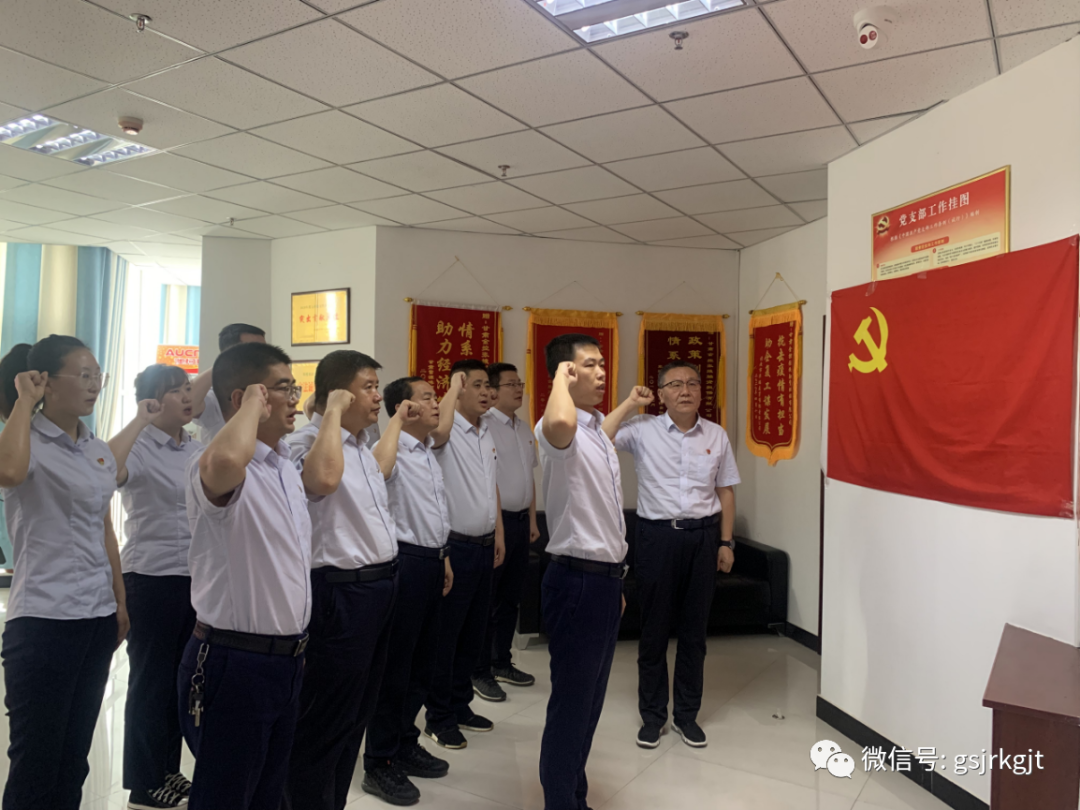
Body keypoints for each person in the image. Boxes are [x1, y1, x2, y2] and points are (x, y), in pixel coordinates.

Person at [178, 342, 312, 810]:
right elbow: (223, 464)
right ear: (243, 398)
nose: (293, 398)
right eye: (281, 388)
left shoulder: (283, 466)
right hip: (235, 661)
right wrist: (253, 403)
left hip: (286, 659)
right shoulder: (218, 463)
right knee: (225, 796)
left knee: (267, 793)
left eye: (294, 388)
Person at [283, 351, 417, 810]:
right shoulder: (307, 440)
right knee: (325, 719)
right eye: (368, 387)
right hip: (342, 592)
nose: (378, 396)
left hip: (379, 588)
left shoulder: (361, 446)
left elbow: (379, 477)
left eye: (378, 386)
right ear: (338, 393)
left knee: (356, 713)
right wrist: (332, 415)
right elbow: (320, 481)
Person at [0, 334, 129, 810]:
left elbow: (104, 528)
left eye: (99, 376)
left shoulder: (96, 449)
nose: (95, 385)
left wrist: (119, 602)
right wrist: (24, 401)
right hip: (43, 620)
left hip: (95, 617)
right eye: (84, 375)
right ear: (47, 382)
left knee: (74, 759)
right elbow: (8, 473)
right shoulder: (25, 440)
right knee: (36, 760)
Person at [603, 361, 739, 749]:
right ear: (660, 393)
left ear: (701, 391)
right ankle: (653, 716)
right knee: (654, 630)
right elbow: (599, 436)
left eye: (693, 383)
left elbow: (726, 490)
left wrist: (726, 542)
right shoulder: (642, 429)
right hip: (657, 538)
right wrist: (630, 403)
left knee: (694, 633)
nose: (685, 390)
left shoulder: (716, 434)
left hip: (703, 538)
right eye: (675, 384)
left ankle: (686, 716)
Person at [535, 334, 627, 810]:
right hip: (577, 580)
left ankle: (575, 796)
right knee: (572, 706)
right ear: (566, 373)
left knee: (590, 705)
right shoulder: (557, 427)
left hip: (604, 580)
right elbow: (558, 421)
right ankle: (560, 802)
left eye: (601, 363)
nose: (601, 372)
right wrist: (559, 380)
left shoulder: (595, 432)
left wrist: (617, 579)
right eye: (588, 365)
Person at [108, 364, 202, 809]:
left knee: (180, 685)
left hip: (194, 579)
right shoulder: (139, 447)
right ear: (151, 401)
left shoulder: (196, 448)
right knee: (151, 684)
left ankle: (168, 771)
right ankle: (144, 785)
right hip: (150, 579)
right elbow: (104, 473)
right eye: (175, 391)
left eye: (187, 389)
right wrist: (138, 422)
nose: (186, 397)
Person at [362, 376, 454, 806]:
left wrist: (445, 556)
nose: (436, 404)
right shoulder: (392, 449)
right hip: (407, 563)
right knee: (396, 669)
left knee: (422, 666)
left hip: (433, 561)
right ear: (405, 407)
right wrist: (396, 422)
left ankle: (403, 742)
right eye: (427, 398)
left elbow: (433, 513)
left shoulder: (427, 452)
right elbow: (378, 472)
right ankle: (378, 762)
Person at [423, 360, 505, 749]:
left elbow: (491, 487)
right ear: (458, 387)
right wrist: (452, 390)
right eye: (478, 385)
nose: (487, 392)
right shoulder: (446, 426)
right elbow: (437, 434)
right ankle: (438, 717)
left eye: (489, 385)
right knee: (446, 638)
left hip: (485, 545)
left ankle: (460, 705)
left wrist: (499, 532)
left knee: (473, 635)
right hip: (455, 548)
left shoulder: (486, 431)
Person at [471, 362, 539, 702]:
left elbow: (529, 479)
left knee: (511, 598)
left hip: (521, 523)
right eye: (511, 384)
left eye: (520, 383)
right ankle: (479, 670)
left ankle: (502, 662)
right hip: (497, 526)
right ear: (494, 391)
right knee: (488, 601)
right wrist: (499, 530)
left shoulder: (524, 428)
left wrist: (533, 520)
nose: (519, 389)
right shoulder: (485, 427)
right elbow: (490, 484)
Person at [191, 322, 265, 443]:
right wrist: (223, 363)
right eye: (253, 350)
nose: (262, 356)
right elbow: (189, 404)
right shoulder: (216, 396)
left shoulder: (269, 389)